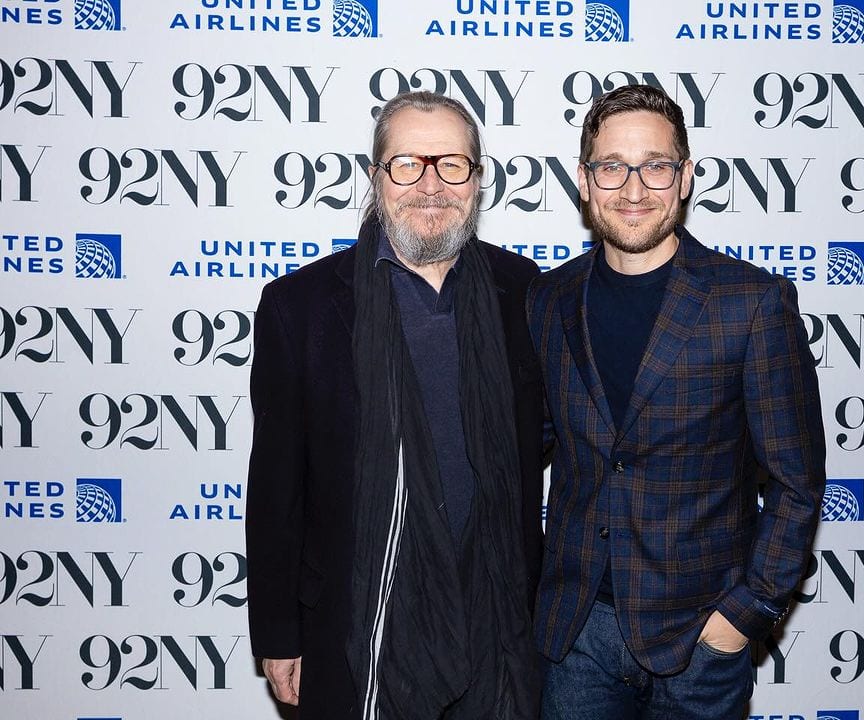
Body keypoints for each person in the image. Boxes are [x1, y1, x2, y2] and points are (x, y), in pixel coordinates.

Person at [528, 84, 827, 719]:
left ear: (685, 176)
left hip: (701, 641)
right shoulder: (549, 301)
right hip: (574, 634)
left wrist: (743, 617)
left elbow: (797, 483)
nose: (633, 190)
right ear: (584, 180)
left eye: (655, 166)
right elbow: (532, 446)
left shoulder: (751, 302)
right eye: (611, 167)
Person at [245, 90, 544, 720]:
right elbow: (276, 485)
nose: (430, 185)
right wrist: (277, 633)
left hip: (496, 617)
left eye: (452, 164)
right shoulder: (299, 308)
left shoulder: (525, 295)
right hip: (359, 621)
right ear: (377, 177)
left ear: (478, 179)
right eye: (408, 163)